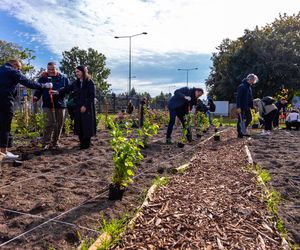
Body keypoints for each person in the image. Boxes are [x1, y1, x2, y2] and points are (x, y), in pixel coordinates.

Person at [0, 59, 52, 160]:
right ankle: (3, 152)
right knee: (5, 126)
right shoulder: (12, 71)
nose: (19, 70)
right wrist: (44, 85)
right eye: (19, 68)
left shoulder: (1, 69)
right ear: (15, 65)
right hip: (5, 102)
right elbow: (28, 82)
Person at [57, 66, 96, 149]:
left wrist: (85, 106)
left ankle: (86, 145)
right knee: (80, 125)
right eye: (76, 72)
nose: (76, 73)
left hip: (87, 108)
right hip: (78, 107)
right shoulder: (77, 82)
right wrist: (58, 91)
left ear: (83, 72)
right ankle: (82, 143)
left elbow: (92, 96)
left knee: (86, 126)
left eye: (78, 71)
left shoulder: (89, 82)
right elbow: (68, 88)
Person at [33, 62, 70, 149]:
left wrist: (58, 92)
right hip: (47, 103)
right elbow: (39, 89)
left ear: (56, 68)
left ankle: (55, 142)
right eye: (49, 69)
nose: (51, 71)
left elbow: (68, 90)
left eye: (53, 69)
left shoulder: (63, 78)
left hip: (60, 104)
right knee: (48, 123)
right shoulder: (43, 78)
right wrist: (36, 97)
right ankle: (46, 142)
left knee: (59, 124)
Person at [236, 73, 258, 138]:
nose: (253, 82)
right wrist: (238, 107)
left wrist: (253, 107)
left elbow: (250, 99)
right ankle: (240, 133)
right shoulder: (242, 86)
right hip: (241, 106)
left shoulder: (249, 88)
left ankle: (243, 130)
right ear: (250, 79)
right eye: (253, 80)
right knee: (241, 120)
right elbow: (238, 97)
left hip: (247, 107)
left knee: (249, 118)